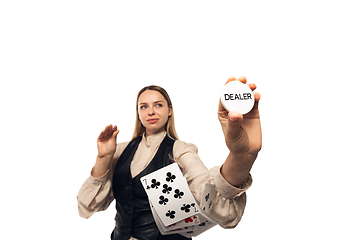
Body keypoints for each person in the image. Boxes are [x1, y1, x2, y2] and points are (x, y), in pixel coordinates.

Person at [77, 76, 262, 240]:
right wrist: (104, 157)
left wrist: (241, 156)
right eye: (144, 106)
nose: (151, 111)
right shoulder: (120, 150)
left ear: (170, 110)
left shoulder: (180, 150)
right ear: (138, 113)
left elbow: (208, 193)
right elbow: (88, 207)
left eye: (158, 105)